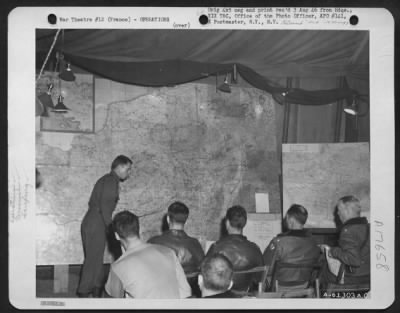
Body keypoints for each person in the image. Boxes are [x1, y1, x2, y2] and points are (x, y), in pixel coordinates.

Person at [77, 155, 132, 298]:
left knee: (95, 259)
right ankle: (84, 292)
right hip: (97, 221)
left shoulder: (107, 179)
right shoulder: (110, 181)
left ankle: (96, 291)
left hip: (94, 221)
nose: (129, 173)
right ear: (119, 167)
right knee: (92, 260)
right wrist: (112, 228)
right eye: (128, 169)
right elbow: (105, 207)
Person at [105, 211, 192, 298]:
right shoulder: (168, 251)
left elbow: (113, 304)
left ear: (116, 235)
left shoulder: (118, 268)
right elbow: (186, 292)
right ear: (140, 229)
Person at [263, 204, 320, 290]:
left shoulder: (278, 242)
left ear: (290, 219)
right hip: (304, 287)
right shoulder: (314, 243)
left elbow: (266, 268)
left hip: (280, 288)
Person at [206, 205, 264, 291]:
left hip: (222, 297)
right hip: (247, 298)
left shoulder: (216, 247)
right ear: (244, 223)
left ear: (227, 223)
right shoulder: (255, 249)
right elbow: (260, 278)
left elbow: (206, 275)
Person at [320, 196, 370, 286]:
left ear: (347, 210)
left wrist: (332, 251)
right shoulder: (368, 228)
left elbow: (354, 259)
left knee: (323, 271)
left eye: (339, 210)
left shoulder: (348, 231)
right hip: (369, 276)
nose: (338, 213)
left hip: (353, 278)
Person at [148, 201, 205, 274]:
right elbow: (204, 269)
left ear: (168, 219)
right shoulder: (195, 244)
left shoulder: (153, 242)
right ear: (186, 221)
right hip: (188, 285)